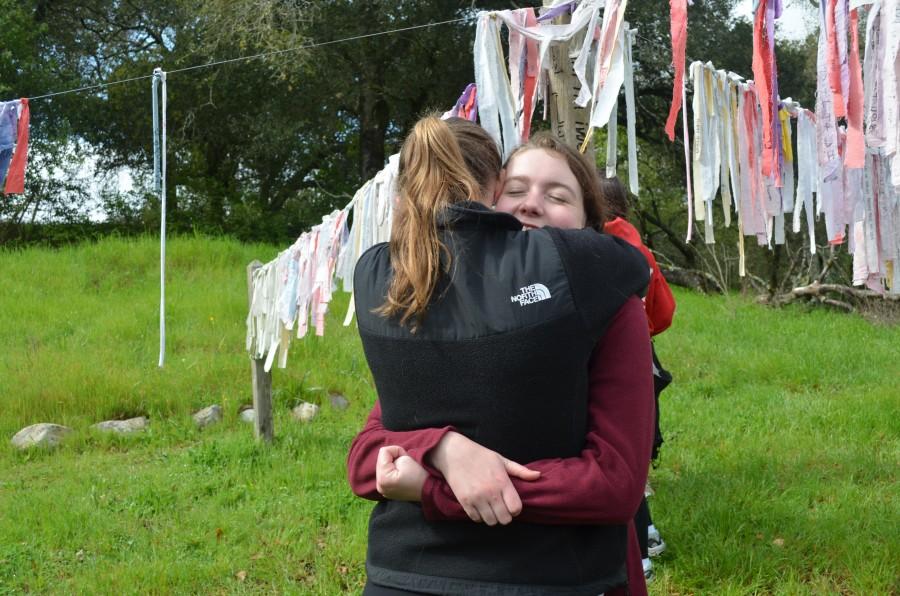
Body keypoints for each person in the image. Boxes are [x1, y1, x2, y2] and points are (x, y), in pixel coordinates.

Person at [348, 120, 654, 595]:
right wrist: (445, 450)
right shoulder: (429, 297)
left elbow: (616, 481)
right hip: (412, 572)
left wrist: (438, 487)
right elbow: (368, 454)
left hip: (558, 575)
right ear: (488, 200)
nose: (533, 203)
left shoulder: (609, 303)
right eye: (517, 189)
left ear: (589, 232)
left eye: (558, 195)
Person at [598, 175, 676, 581]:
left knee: (612, 446)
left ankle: (639, 549)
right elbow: (664, 311)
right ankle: (647, 536)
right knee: (635, 444)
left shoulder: (596, 244)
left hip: (611, 355)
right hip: (643, 355)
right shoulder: (638, 245)